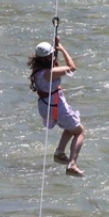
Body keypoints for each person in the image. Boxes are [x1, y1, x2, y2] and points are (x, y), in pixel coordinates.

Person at [28, 36, 85, 177]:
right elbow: (72, 68)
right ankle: (72, 164)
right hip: (55, 106)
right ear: (49, 57)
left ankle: (60, 152)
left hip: (45, 106)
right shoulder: (51, 73)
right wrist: (62, 48)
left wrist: (54, 51)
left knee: (70, 127)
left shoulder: (37, 70)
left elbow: (54, 67)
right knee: (79, 132)